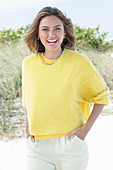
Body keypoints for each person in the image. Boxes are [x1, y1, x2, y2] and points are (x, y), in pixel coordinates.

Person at [22, 6, 110, 170]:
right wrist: (28, 129)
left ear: (64, 33)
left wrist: (85, 130)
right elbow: (29, 100)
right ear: (37, 34)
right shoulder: (28, 64)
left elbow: (102, 97)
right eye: (45, 29)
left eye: (57, 29)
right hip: (37, 147)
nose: (51, 35)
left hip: (70, 146)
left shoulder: (79, 62)